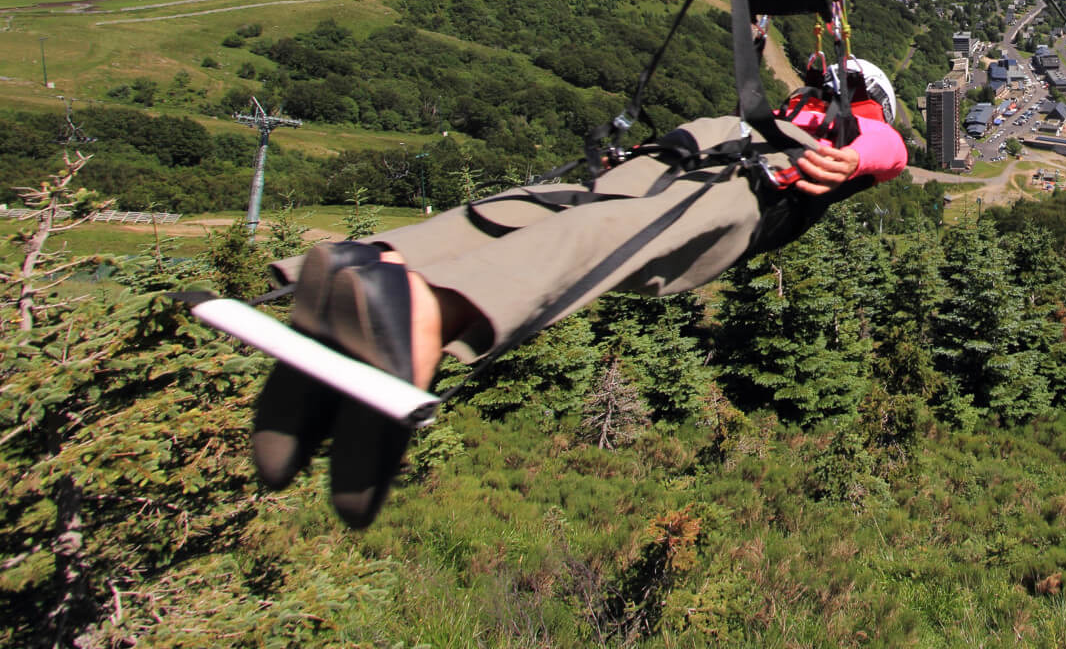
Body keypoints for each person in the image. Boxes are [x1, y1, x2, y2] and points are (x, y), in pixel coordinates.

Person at [253, 57, 906, 527]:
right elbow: (889, 148)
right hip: (753, 182)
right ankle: (425, 311)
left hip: (706, 141)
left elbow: (876, 143)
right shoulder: (850, 124)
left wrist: (840, 140)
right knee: (606, 237)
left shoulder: (814, 109)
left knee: (552, 206)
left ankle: (372, 263)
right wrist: (851, 154)